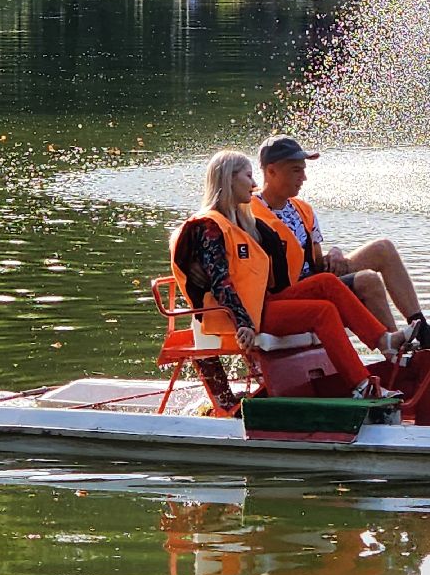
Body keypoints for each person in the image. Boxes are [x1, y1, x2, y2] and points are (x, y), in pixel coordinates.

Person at [170, 150, 407, 398]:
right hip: (240, 318)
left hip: (261, 306)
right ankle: (362, 385)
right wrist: (244, 324)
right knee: (322, 312)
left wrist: (331, 253)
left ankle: (384, 340)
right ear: (228, 179)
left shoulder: (242, 222)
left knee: (326, 282)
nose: (254, 184)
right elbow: (222, 284)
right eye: (248, 176)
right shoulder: (209, 227)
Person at [250, 135, 430, 348]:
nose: (304, 178)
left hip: (315, 279)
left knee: (383, 248)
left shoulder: (302, 209)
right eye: (296, 170)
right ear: (271, 171)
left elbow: (316, 263)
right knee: (368, 280)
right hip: (287, 294)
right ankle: (397, 352)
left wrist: (335, 252)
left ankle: (421, 329)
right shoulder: (249, 212)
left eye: (304, 170)